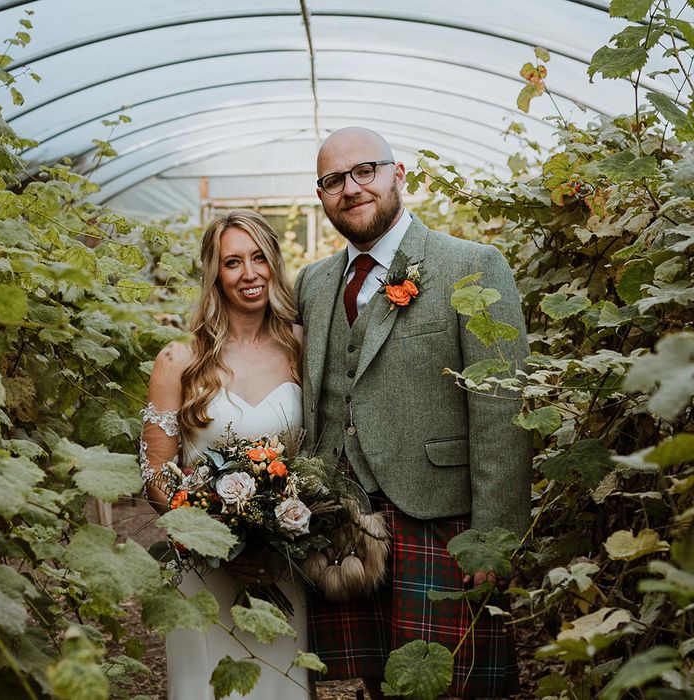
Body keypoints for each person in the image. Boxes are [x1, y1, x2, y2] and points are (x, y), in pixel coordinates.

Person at [294, 127, 532, 700]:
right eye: (333, 181)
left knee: (453, 682)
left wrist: (493, 539)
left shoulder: (471, 264)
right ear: (322, 196)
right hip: (343, 521)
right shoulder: (313, 282)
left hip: (441, 515)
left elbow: (501, 410)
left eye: (364, 172)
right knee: (376, 682)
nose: (350, 189)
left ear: (398, 175)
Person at [140, 210, 309, 700]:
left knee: (284, 685)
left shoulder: (301, 347)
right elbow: (156, 475)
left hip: (282, 567)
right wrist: (218, 544)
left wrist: (278, 535)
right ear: (214, 273)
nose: (249, 273)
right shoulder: (180, 359)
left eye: (259, 258)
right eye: (233, 262)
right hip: (205, 570)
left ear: (274, 264)